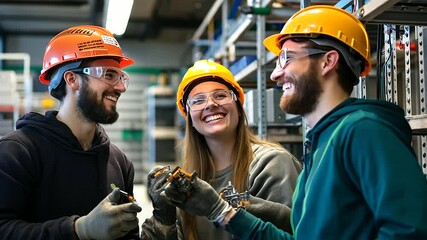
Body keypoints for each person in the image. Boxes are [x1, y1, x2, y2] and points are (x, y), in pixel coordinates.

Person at [155, 5, 427, 239]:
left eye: (286, 58)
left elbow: (408, 231)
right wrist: (223, 213)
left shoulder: (365, 130)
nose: (275, 74)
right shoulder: (321, 144)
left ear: (327, 62)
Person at [0, 25, 142, 239]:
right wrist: (78, 229)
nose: (120, 87)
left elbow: (128, 234)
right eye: (109, 74)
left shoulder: (119, 162)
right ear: (72, 79)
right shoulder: (17, 153)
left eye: (121, 77)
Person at [140, 60, 302, 240]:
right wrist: (164, 220)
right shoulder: (188, 182)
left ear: (239, 108)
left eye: (220, 96)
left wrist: (223, 210)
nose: (210, 104)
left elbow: (289, 233)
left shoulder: (271, 164)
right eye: (198, 100)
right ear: (190, 118)